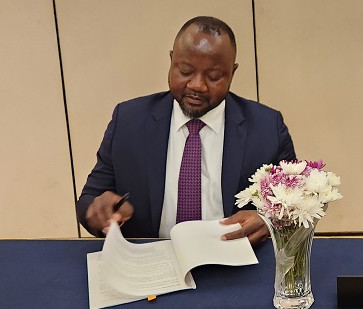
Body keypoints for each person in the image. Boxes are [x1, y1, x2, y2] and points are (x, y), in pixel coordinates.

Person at [76, 16, 296, 243]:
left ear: (232, 72)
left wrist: (270, 220)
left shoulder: (267, 127)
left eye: (213, 76)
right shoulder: (129, 121)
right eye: (185, 71)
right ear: (172, 61)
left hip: (235, 255)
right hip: (152, 256)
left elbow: (297, 205)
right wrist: (101, 211)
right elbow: (90, 198)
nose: (197, 85)